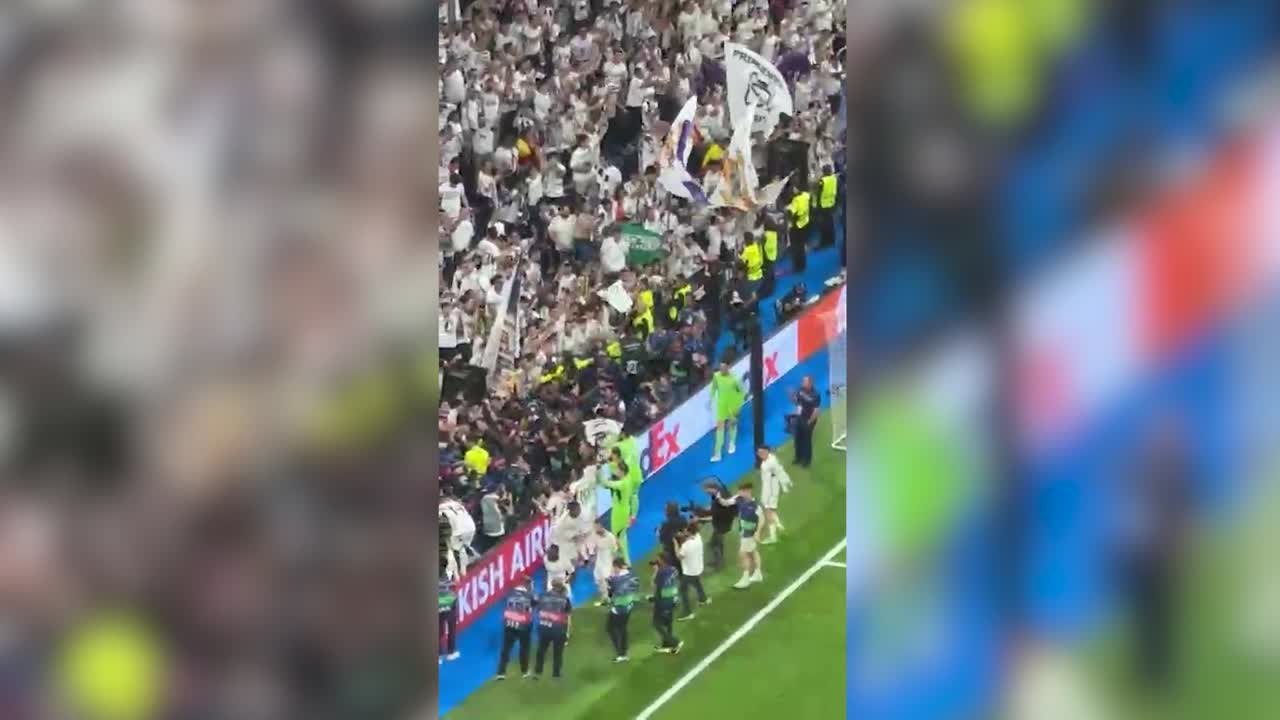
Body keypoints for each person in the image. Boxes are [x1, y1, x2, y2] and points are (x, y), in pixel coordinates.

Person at [718, 483, 763, 589]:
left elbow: (762, 519)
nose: (739, 493)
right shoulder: (738, 498)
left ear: (748, 491)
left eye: (742, 491)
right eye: (739, 491)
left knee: (742, 554)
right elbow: (726, 503)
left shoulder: (755, 505)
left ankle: (745, 579)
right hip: (743, 532)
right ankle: (758, 574)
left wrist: (757, 532)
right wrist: (719, 498)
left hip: (750, 533)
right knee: (753, 552)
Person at [599, 449, 641, 563]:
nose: (615, 471)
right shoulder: (627, 478)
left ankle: (619, 560)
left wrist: (599, 471)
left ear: (622, 471)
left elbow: (605, 483)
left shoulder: (622, 483)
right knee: (622, 536)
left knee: (616, 537)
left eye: (617, 470)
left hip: (619, 512)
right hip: (624, 509)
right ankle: (626, 561)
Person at [690, 479, 736, 572]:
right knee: (714, 542)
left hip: (722, 524)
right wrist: (703, 511)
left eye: (706, 490)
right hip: (722, 521)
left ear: (712, 488)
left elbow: (714, 517)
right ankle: (718, 559)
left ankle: (719, 564)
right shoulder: (717, 494)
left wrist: (700, 519)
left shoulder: (720, 498)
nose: (705, 493)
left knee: (716, 543)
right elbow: (713, 509)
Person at [496, 578, 536, 680]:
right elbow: (535, 604)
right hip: (523, 625)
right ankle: (524, 671)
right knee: (524, 648)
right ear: (527, 585)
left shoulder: (509, 593)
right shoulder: (529, 595)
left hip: (509, 623)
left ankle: (501, 672)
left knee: (506, 648)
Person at [535, 578, 573, 680]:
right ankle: (556, 674)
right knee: (558, 653)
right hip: (558, 629)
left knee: (541, 650)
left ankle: (537, 671)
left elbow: (538, 609)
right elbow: (568, 616)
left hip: (544, 627)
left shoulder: (542, 596)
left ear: (552, 585)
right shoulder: (565, 599)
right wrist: (567, 632)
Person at [710, 360, 746, 462]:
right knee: (719, 429)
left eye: (723, 368)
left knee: (732, 425)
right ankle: (717, 454)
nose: (721, 370)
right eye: (720, 368)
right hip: (722, 405)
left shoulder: (735, 379)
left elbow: (742, 392)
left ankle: (732, 443)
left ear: (728, 368)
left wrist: (738, 405)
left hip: (732, 405)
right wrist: (710, 399)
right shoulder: (716, 376)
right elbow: (714, 388)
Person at [605, 557, 640, 663]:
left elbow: (610, 594)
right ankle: (624, 650)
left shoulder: (614, 579)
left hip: (619, 607)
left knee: (611, 628)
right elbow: (636, 586)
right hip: (629, 605)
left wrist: (609, 582)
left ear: (616, 566)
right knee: (623, 628)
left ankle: (621, 653)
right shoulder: (632, 575)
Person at [758, 446, 793, 544]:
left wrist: (786, 483)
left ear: (767, 451)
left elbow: (779, 471)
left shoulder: (771, 462)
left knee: (768, 512)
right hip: (767, 487)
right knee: (769, 509)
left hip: (772, 488)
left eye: (762, 452)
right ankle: (779, 526)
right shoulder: (769, 459)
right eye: (759, 453)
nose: (760, 454)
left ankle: (773, 537)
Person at [650, 556, 684, 654]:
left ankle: (675, 642)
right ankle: (667, 644)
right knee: (668, 622)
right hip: (673, 598)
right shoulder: (673, 569)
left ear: (662, 561)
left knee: (656, 623)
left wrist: (656, 572)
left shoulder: (660, 573)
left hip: (663, 601)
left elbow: (655, 586)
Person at [676, 522, 709, 620]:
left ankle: (687, 613)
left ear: (689, 532)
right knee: (696, 582)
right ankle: (703, 599)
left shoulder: (686, 545)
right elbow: (689, 537)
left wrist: (675, 544)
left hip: (689, 572)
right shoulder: (698, 537)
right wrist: (683, 536)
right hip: (698, 567)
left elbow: (679, 556)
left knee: (683, 590)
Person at [793, 375, 821, 467]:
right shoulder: (800, 390)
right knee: (797, 438)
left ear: (810, 383)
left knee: (806, 440)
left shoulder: (816, 394)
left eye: (805, 382)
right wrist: (792, 398)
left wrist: (809, 421)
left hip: (809, 419)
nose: (802, 383)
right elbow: (797, 402)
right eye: (803, 381)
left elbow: (816, 410)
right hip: (800, 417)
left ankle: (806, 461)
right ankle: (798, 457)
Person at [591, 520, 620, 606]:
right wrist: (594, 558)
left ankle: (612, 599)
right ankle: (605, 599)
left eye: (596, 527)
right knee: (599, 580)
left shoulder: (610, 537)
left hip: (608, 560)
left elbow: (615, 550)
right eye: (594, 527)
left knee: (607, 580)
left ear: (601, 526)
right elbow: (596, 548)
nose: (595, 529)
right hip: (599, 560)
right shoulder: (595, 535)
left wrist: (613, 565)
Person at [439, 560, 460, 664]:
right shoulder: (449, 575)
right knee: (451, 629)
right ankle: (451, 653)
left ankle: (438, 655)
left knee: (438, 632)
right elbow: (456, 582)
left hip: (439, 607)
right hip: (449, 605)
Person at [815, 164, 839, 248]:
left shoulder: (822, 181)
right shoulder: (834, 179)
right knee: (831, 223)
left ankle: (824, 242)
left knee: (823, 225)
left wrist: (817, 206)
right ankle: (832, 240)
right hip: (832, 203)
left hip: (823, 206)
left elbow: (819, 194)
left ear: (824, 172)